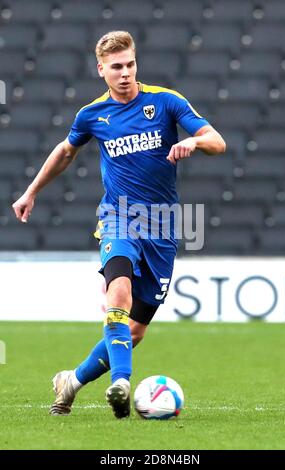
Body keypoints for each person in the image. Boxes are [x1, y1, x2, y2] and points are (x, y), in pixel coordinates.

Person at [12, 31, 226, 419]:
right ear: (102, 70)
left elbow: (217, 141)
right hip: (119, 218)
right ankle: (123, 384)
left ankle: (71, 382)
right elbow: (65, 152)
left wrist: (194, 143)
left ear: (135, 64)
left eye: (130, 65)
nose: (125, 73)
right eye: (116, 67)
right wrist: (31, 191)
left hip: (162, 227)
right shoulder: (92, 114)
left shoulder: (165, 102)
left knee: (135, 331)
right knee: (118, 296)